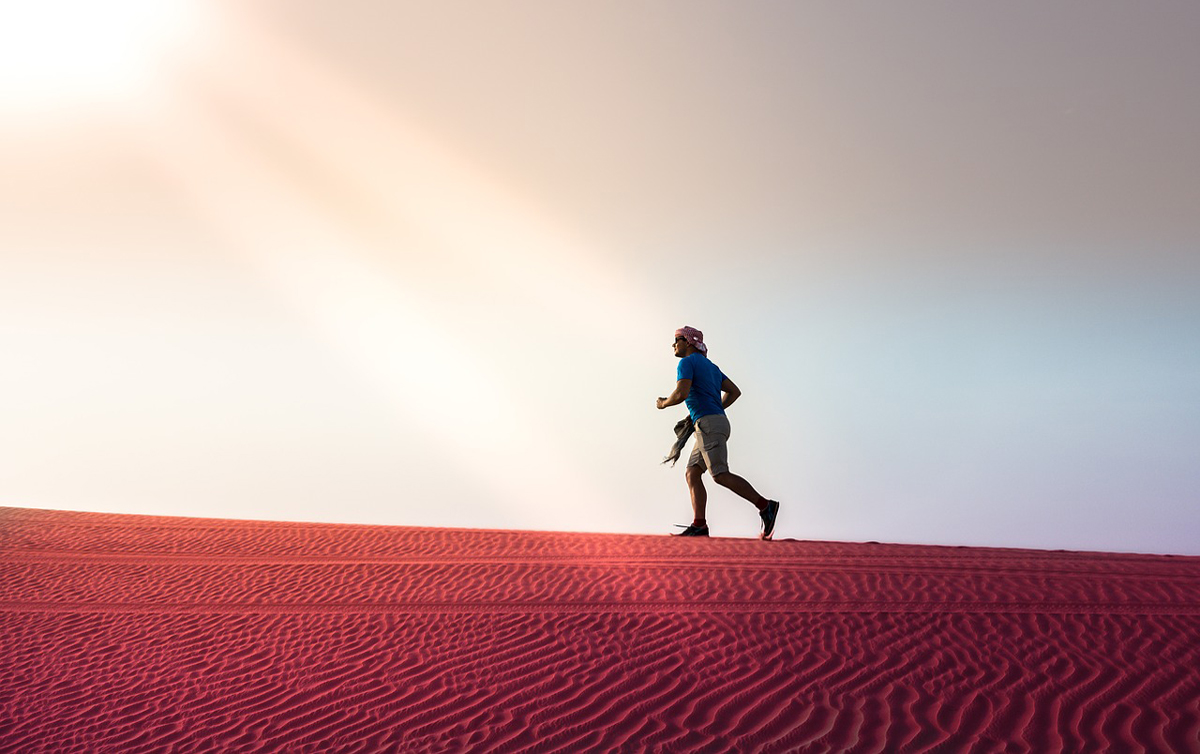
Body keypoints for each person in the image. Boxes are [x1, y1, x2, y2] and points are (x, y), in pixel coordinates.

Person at [656, 326, 781, 538]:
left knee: (720, 474)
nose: (674, 344)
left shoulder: (686, 363)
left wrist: (663, 404)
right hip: (712, 423)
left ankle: (765, 506)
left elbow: (681, 392)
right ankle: (699, 525)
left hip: (709, 425)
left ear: (688, 342)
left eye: (677, 339)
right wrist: (713, 409)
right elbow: (735, 391)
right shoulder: (712, 367)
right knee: (692, 473)